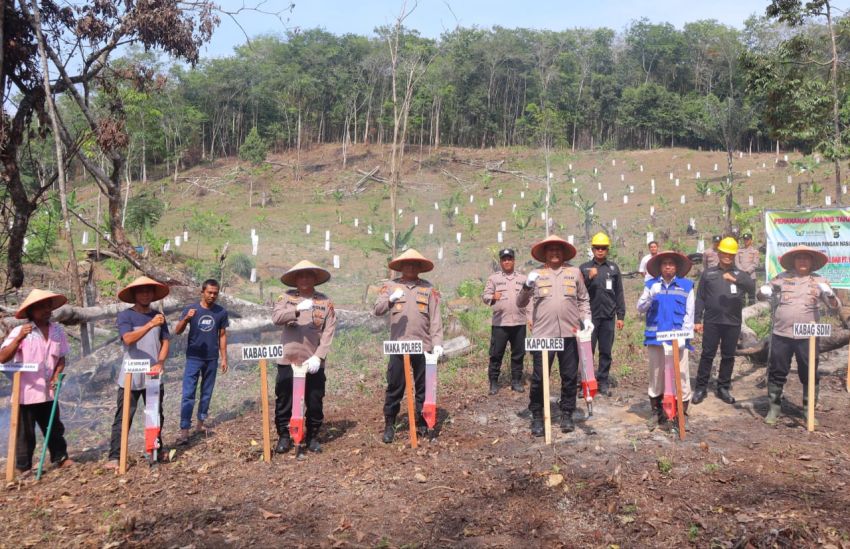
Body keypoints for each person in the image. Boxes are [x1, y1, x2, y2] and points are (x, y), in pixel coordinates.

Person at [517, 235, 592, 436]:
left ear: (563, 253)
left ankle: (567, 413)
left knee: (569, 376)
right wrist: (526, 286)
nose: (555, 253)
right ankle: (537, 416)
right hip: (543, 335)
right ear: (545, 254)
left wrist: (587, 318)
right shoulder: (536, 274)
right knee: (540, 377)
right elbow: (520, 303)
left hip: (570, 333)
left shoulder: (574, 272)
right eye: (550, 250)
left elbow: (583, 299)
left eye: (558, 249)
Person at [757, 246, 840, 425]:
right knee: (778, 370)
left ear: (812, 262)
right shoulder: (782, 278)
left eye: (806, 258)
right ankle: (774, 409)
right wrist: (763, 291)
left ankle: (808, 410)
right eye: (799, 258)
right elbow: (762, 295)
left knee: (809, 372)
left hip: (807, 336)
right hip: (782, 332)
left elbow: (834, 306)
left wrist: (830, 294)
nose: (802, 261)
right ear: (794, 261)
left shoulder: (820, 281)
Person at [374, 249, 444, 443]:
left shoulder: (428, 289)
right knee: (395, 386)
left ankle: (423, 422)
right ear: (401, 266)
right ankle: (390, 424)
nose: (410, 267)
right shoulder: (390, 286)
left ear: (420, 268)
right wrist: (390, 299)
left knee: (423, 386)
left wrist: (437, 343)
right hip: (399, 346)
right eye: (407, 264)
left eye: (414, 264)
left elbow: (435, 318)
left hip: (423, 346)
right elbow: (377, 310)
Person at [0, 290, 73, 475]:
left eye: (48, 306)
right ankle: (23, 466)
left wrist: (57, 375)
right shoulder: (21, 331)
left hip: (48, 390)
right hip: (27, 391)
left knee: (54, 426)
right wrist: (18, 339)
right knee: (25, 434)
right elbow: (3, 358)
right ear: (31, 311)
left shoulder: (57, 330)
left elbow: (61, 357)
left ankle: (60, 457)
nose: (46, 310)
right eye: (41, 307)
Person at [271, 260, 337, 453]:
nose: (305, 279)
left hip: (313, 361)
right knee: (284, 399)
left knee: (314, 399)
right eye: (301, 275)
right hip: (287, 359)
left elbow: (328, 331)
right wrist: (297, 310)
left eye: (309, 275)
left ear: (315, 279)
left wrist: (319, 356)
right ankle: (284, 436)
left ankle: (312, 436)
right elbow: (276, 318)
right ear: (295, 279)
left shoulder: (325, 302)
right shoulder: (286, 298)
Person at [107, 276, 170, 469]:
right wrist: (150, 324)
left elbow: (165, 341)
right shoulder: (126, 316)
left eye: (148, 291)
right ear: (134, 294)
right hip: (130, 376)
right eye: (141, 291)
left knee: (155, 414)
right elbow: (128, 339)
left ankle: (154, 451)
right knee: (124, 416)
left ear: (152, 294)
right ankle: (115, 456)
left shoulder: (159, 316)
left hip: (153, 374)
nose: (145, 294)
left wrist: (160, 362)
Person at [636, 251, 694, 430]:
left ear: (676, 267)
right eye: (665, 264)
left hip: (678, 339)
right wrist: (650, 296)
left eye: (671, 264)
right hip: (656, 338)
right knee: (656, 375)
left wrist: (685, 335)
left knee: (681, 375)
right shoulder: (651, 285)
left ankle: (681, 413)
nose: (668, 266)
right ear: (660, 267)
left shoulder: (686, 286)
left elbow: (690, 313)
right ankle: (657, 412)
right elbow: (640, 308)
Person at [693, 237, 754, 405]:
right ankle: (700, 388)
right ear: (718, 253)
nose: (727, 256)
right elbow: (700, 298)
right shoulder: (708, 273)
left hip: (732, 322)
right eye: (724, 253)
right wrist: (697, 319)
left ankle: (723, 388)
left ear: (734, 255)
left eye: (730, 254)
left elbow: (751, 287)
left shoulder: (740, 274)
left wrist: (737, 280)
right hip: (712, 321)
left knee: (728, 356)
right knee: (707, 355)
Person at [173, 279, 229, 444]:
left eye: (215, 293)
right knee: (188, 393)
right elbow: (177, 331)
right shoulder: (191, 309)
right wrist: (186, 319)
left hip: (212, 358)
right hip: (194, 357)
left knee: (206, 392)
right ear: (202, 292)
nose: (212, 295)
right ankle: (184, 430)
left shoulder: (221, 312)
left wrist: (224, 357)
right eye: (209, 292)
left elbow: (222, 335)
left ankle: (200, 424)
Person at [580, 232, 625, 396]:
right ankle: (586, 382)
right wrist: (588, 278)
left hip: (608, 317)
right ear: (592, 249)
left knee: (605, 351)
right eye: (597, 248)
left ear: (607, 250)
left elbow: (619, 293)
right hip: (588, 318)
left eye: (603, 248)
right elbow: (578, 291)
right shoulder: (584, 268)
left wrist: (620, 316)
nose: (600, 250)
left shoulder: (613, 268)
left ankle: (603, 382)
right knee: (587, 351)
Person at [481, 248, 527, 395]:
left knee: (518, 354)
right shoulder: (493, 279)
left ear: (514, 260)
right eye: (504, 259)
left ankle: (516, 381)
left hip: (519, 322)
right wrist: (493, 296)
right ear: (501, 262)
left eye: (509, 259)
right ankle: (494, 383)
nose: (507, 261)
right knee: (496, 354)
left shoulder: (522, 279)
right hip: (500, 323)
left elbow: (529, 298)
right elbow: (485, 297)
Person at [735, 232, 760, 305]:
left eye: (747, 239)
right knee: (741, 295)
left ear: (751, 240)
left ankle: (751, 312)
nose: (746, 241)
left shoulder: (755, 251)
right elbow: (737, 262)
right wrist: (741, 270)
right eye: (745, 239)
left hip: (751, 276)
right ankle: (742, 312)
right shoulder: (739, 251)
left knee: (751, 296)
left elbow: (755, 263)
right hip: (741, 276)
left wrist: (747, 271)